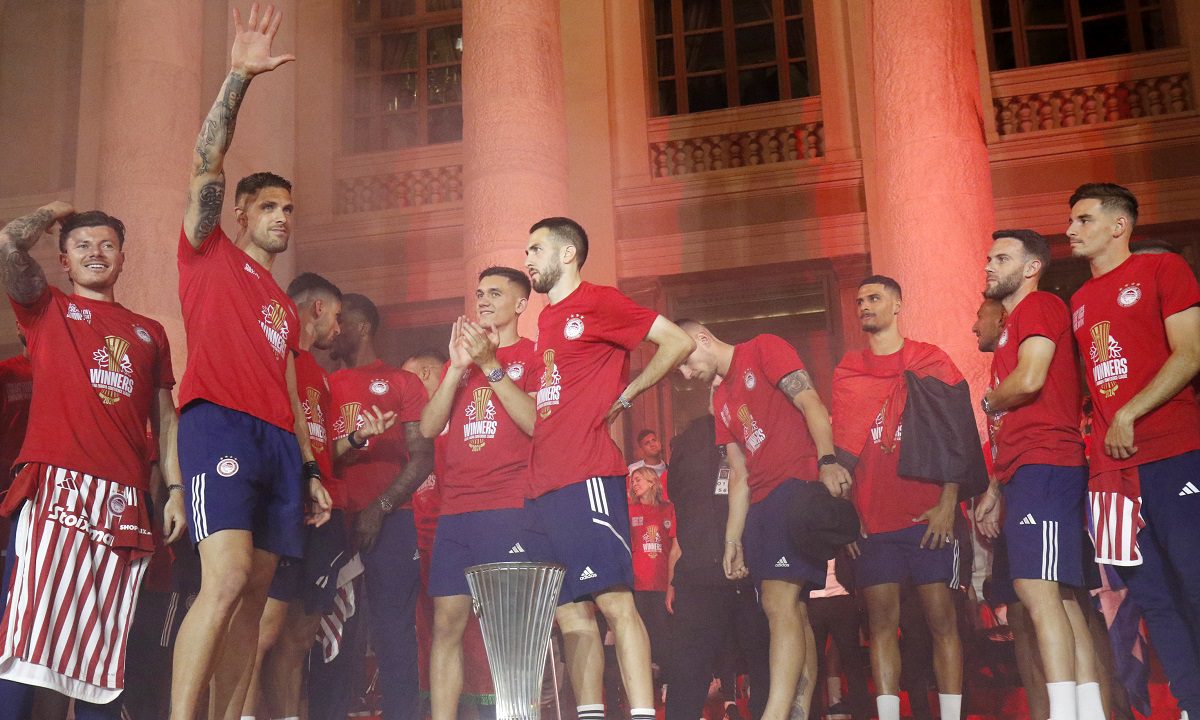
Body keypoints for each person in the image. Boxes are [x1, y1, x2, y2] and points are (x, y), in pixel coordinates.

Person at [169, 6, 334, 719]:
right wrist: (238, 77)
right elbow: (205, 162)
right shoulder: (207, 253)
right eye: (268, 207)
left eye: (288, 209)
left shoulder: (284, 308)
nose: (282, 217)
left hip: (277, 443)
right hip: (220, 426)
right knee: (227, 578)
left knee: (257, 599)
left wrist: (310, 467)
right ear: (239, 212)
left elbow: (291, 392)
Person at [0, 203, 185, 719]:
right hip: (56, 488)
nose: (95, 253)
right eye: (82, 246)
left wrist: (174, 491)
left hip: (124, 500)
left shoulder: (150, 331)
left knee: (103, 653)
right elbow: (7, 245)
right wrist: (51, 212)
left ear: (123, 258)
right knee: (27, 642)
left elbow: (166, 420)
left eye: (107, 245)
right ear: (64, 261)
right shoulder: (47, 309)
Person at [523, 217, 694, 720]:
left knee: (615, 603)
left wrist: (628, 394)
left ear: (568, 253)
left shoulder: (599, 300)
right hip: (544, 487)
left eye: (536, 249)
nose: (527, 259)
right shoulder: (546, 322)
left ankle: (642, 714)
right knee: (572, 615)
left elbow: (677, 342)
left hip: (588, 476)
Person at [1067, 182, 1200, 719]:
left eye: (1083, 220)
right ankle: (1191, 705)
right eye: (1071, 220)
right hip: (1112, 475)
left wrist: (1128, 413)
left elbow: (1190, 353)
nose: (1071, 230)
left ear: (1119, 225)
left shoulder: (1162, 269)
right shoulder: (1078, 301)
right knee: (1153, 598)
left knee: (1195, 582)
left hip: (1174, 452)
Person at [241, 273, 396, 720]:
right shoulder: (270, 356)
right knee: (261, 631)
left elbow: (322, 450)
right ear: (317, 309)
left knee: (299, 637)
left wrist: (358, 438)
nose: (339, 328)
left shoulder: (321, 378)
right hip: (282, 510)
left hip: (322, 514)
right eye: (337, 316)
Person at [676, 319, 847, 720]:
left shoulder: (763, 347)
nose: (685, 374)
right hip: (760, 507)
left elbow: (810, 401)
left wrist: (827, 460)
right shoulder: (720, 400)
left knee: (777, 601)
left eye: (684, 362)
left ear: (702, 339)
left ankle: (774, 713)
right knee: (793, 610)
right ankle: (799, 709)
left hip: (795, 489)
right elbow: (738, 476)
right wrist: (732, 541)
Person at [831, 275, 979, 720]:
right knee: (880, 625)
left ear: (897, 305)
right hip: (873, 522)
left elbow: (956, 435)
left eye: (875, 298)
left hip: (927, 516)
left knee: (942, 621)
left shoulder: (930, 360)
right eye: (860, 300)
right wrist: (847, 515)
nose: (865, 306)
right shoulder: (849, 371)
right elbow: (840, 454)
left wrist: (949, 502)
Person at [974, 230, 1102, 719]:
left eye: (1002, 258)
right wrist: (995, 485)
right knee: (1061, 597)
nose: (990, 265)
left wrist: (989, 399)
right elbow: (1015, 419)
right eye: (989, 257)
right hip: (1027, 467)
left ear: (1031, 268)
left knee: (1035, 589)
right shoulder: (1011, 327)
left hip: (1046, 462)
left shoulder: (1039, 305)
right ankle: (1087, 710)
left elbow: (1029, 380)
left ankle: (1066, 711)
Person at [419, 266, 540, 720]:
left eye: (495, 293)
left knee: (509, 631)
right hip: (456, 511)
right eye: (479, 293)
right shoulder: (461, 363)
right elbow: (429, 427)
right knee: (446, 626)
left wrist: (490, 365)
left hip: (508, 506)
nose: (483, 300)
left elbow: (536, 423)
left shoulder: (533, 354)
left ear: (521, 304)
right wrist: (456, 368)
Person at [329, 292, 433, 720]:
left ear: (363, 326)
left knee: (394, 631)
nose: (334, 329)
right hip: (335, 520)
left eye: (342, 321)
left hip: (391, 522)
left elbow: (422, 457)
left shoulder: (401, 382)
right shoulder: (321, 385)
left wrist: (380, 507)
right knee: (334, 632)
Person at [661, 394, 769, 720]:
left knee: (690, 666)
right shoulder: (741, 431)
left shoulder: (688, 441)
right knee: (761, 657)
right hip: (737, 565)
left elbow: (677, 497)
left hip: (705, 566)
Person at [627, 466, 675, 679]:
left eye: (638, 479)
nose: (634, 484)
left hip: (662, 582)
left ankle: (667, 682)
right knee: (641, 635)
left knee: (664, 636)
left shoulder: (668, 509)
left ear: (652, 482)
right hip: (638, 583)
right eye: (632, 481)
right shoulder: (629, 510)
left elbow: (675, 547)